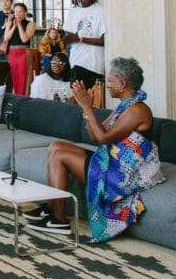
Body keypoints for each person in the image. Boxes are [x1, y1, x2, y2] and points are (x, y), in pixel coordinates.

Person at [25, 57, 164, 240]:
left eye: (111, 81)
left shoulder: (138, 110)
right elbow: (95, 135)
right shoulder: (125, 107)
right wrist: (87, 109)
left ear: (122, 84)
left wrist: (87, 108)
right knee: (55, 147)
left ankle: (58, 219)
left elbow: (102, 138)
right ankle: (52, 208)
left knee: (59, 154)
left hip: (120, 175)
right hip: (110, 162)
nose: (107, 85)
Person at [63, 0, 106, 88]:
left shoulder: (100, 11)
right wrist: (64, 39)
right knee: (77, 96)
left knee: (87, 98)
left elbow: (103, 40)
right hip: (76, 60)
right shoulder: (73, 12)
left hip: (93, 63)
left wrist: (80, 39)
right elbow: (70, 37)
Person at [3, 2, 35, 96]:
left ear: (25, 13)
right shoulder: (10, 22)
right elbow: (6, 38)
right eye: (16, 11)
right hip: (12, 54)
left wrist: (20, 25)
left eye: (20, 11)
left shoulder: (30, 24)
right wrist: (13, 26)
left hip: (23, 53)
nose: (18, 13)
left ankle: (23, 99)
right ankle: (16, 98)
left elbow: (24, 39)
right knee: (14, 78)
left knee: (23, 79)